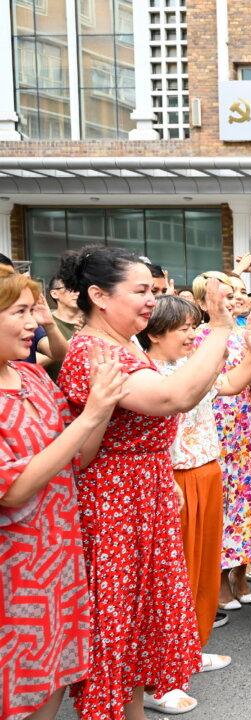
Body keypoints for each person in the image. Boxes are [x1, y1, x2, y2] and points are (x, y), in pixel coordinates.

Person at [57, 246, 236, 718]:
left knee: (137, 623)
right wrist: (220, 327)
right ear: (99, 296)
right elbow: (174, 396)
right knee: (117, 622)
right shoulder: (93, 351)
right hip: (115, 499)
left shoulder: (122, 345)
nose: (152, 301)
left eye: (152, 291)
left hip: (143, 490)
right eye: (140, 291)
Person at [0, 266, 127, 720]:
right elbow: (13, 490)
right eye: (20, 312)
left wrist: (103, 404)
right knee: (15, 681)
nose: (35, 322)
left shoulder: (32, 376)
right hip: (14, 569)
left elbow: (78, 456)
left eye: (33, 310)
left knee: (53, 672)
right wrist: (92, 414)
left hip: (59, 558)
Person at [141, 295, 251, 676]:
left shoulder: (187, 364)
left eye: (195, 327)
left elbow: (230, 384)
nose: (193, 335)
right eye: (185, 328)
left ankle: (190, 649)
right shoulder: (146, 373)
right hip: (174, 479)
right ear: (155, 333)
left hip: (208, 471)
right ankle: (164, 669)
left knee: (203, 570)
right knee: (176, 574)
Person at [192, 273, 251, 613]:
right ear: (204, 300)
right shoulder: (197, 337)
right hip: (216, 427)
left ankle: (240, 571)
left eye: (238, 292)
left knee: (247, 498)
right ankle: (219, 578)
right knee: (223, 500)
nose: (234, 298)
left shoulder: (245, 333)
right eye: (226, 293)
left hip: (246, 426)